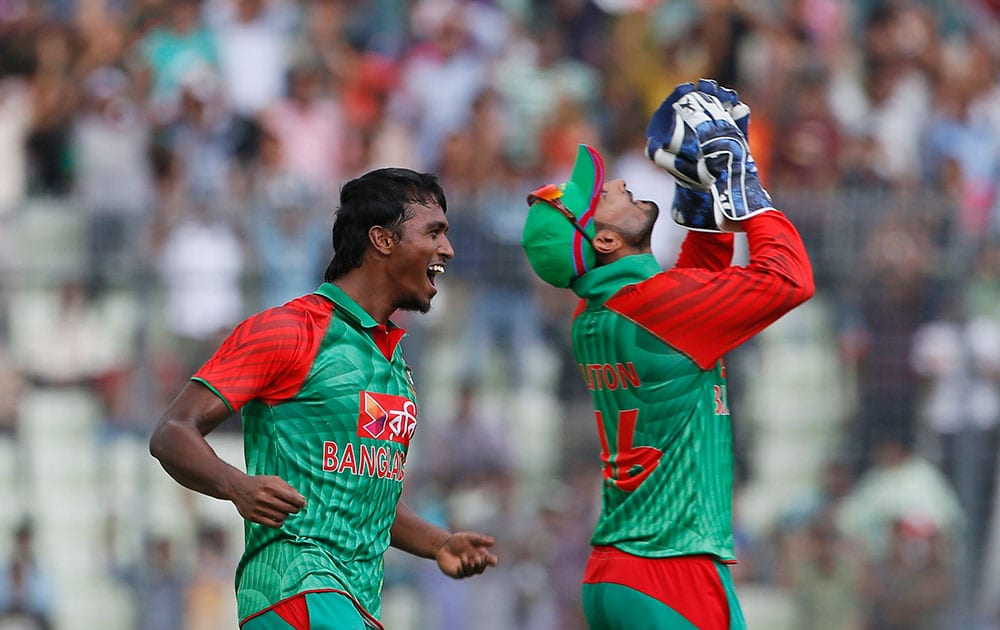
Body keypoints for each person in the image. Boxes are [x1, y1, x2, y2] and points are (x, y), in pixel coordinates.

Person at [149, 167, 498, 629]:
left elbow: (360, 493)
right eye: (433, 232)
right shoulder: (291, 329)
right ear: (383, 239)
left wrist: (438, 544)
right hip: (296, 589)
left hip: (352, 603)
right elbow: (172, 431)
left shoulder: (393, 364)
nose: (447, 250)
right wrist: (235, 484)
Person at [520, 81, 814, 628]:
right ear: (605, 242)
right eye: (607, 195)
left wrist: (697, 193)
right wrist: (738, 182)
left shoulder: (599, 313)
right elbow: (790, 279)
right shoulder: (652, 306)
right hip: (673, 572)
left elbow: (696, 285)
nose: (624, 183)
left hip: (620, 573)